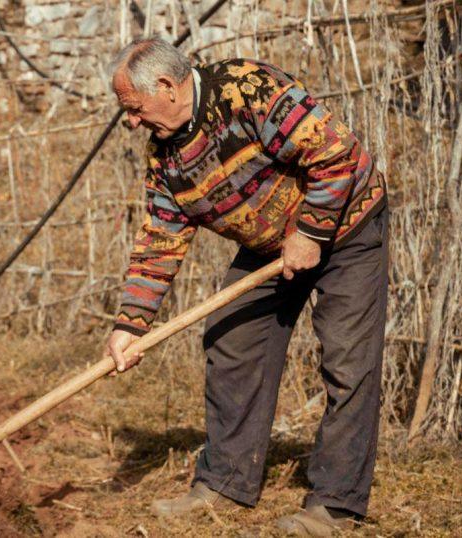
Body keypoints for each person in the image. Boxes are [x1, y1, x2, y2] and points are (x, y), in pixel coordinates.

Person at [104, 37, 388, 537]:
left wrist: (311, 231)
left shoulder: (247, 89)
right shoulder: (165, 156)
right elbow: (160, 239)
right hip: (271, 245)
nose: (130, 121)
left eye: (134, 108)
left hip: (347, 224)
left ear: (167, 86)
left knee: (348, 360)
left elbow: (337, 153)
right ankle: (226, 481)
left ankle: (336, 504)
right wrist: (131, 324)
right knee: (231, 341)